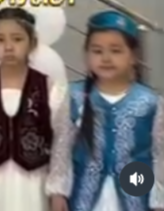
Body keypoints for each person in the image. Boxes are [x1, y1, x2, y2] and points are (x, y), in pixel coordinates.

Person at [45, 11, 164, 211]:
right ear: (86, 55)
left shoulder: (150, 102)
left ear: (133, 56)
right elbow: (62, 148)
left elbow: (159, 155)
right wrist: (58, 192)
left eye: (116, 51)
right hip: (85, 197)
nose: (106, 58)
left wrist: (159, 201)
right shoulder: (74, 96)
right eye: (97, 51)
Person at [0, 8, 64, 211]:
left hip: (32, 181)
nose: (8, 47)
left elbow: (59, 142)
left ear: (32, 42)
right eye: (0, 40)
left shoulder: (48, 86)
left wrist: (57, 190)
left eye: (17, 39)